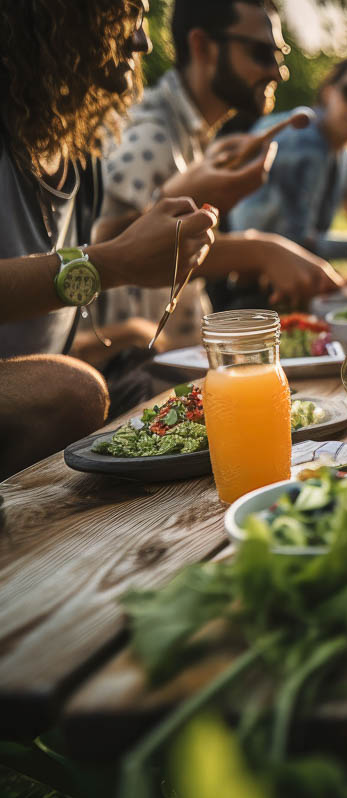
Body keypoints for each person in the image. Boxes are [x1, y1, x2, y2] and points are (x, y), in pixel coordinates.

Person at [0, 0, 219, 478]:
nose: (142, 40)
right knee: (69, 391)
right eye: (125, 16)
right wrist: (108, 265)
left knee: (195, 383)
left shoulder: (80, 152)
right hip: (48, 388)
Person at [92, 0, 343, 353]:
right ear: (203, 46)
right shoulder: (152, 136)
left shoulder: (191, 134)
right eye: (261, 53)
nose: (277, 72)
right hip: (146, 380)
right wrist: (261, 251)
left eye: (279, 54)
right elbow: (109, 253)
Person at [228, 51, 347, 262]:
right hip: (245, 280)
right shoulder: (303, 139)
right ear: (328, 91)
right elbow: (294, 244)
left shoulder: (337, 149)